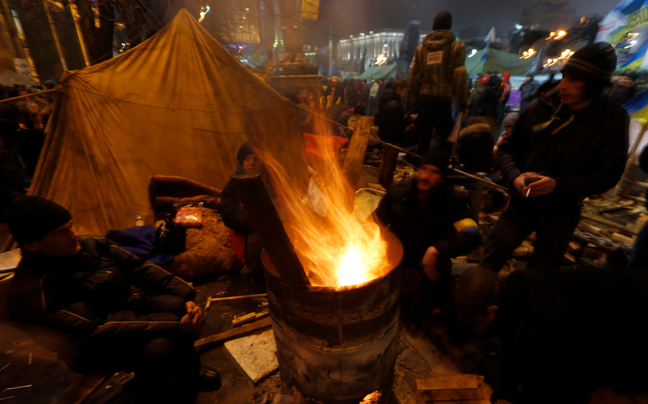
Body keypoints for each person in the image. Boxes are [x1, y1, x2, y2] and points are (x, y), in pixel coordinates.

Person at [5, 196, 222, 400]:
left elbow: (139, 268)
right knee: (161, 345)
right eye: (61, 232)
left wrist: (186, 295)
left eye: (70, 226)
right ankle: (153, 390)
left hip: (128, 308)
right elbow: (97, 327)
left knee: (180, 307)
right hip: (93, 346)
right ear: (33, 245)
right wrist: (175, 326)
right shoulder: (32, 291)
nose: (75, 235)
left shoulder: (90, 245)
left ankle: (187, 373)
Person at [481, 42, 629, 272]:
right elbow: (507, 148)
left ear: (593, 85)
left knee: (540, 276)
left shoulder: (612, 120)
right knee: (489, 263)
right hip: (521, 204)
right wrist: (515, 176)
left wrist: (558, 185)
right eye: (564, 77)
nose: (563, 85)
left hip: (562, 212)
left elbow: (608, 174)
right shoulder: (540, 107)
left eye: (573, 79)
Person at [454, 265, 648, 404]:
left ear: (492, 310)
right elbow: (511, 343)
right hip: (624, 292)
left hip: (635, 316)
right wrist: (506, 391)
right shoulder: (514, 284)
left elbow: (568, 379)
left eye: (478, 322)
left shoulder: (542, 327)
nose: (478, 328)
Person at [375, 147, 481, 327]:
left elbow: (472, 234)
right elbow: (375, 221)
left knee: (438, 268)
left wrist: (438, 249)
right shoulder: (397, 192)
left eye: (433, 172)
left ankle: (416, 316)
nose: (425, 176)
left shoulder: (453, 202)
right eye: (423, 169)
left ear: (442, 177)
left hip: (427, 255)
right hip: (395, 248)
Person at [408, 10, 468, 156]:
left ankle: (420, 171)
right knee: (445, 140)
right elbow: (459, 77)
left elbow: (413, 76)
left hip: (424, 99)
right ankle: (439, 172)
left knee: (423, 139)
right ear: (450, 25)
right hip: (444, 101)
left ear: (434, 25)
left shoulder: (421, 48)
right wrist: (462, 103)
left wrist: (416, 98)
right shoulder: (456, 46)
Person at [220, 140, 267, 292]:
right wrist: (253, 223)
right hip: (248, 229)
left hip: (271, 224)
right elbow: (229, 214)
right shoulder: (234, 184)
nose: (251, 163)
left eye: (256, 158)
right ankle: (257, 277)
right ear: (242, 162)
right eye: (247, 159)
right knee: (258, 242)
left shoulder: (270, 180)